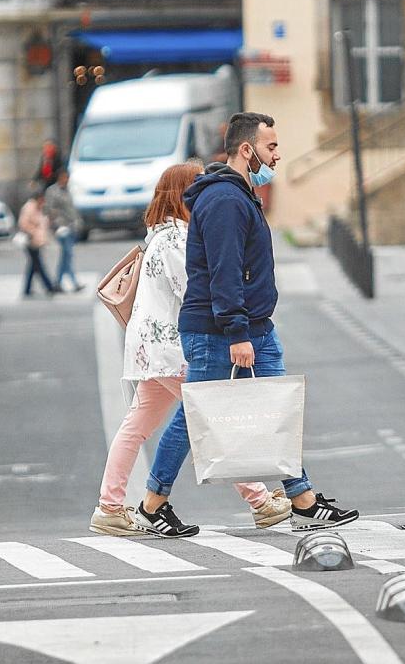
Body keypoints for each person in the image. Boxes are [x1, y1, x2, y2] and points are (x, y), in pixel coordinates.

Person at [134, 112, 360, 537]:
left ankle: (303, 500)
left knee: (279, 412)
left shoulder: (238, 194)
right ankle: (152, 504)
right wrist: (237, 333)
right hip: (219, 332)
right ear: (246, 149)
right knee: (194, 417)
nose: (277, 155)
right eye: (270, 147)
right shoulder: (224, 200)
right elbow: (225, 271)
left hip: (253, 326)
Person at [89, 160, 292, 537]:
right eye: (197, 186)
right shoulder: (175, 240)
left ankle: (110, 505)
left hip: (152, 349)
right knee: (209, 416)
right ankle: (261, 501)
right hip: (170, 348)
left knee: (139, 426)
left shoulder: (161, 236)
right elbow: (194, 290)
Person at [45, 169, 85, 293]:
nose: (66, 180)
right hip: (62, 227)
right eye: (64, 178)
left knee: (66, 256)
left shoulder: (68, 190)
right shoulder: (53, 191)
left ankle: (58, 282)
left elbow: (72, 209)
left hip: (71, 226)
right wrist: (57, 225)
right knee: (67, 254)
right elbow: (50, 210)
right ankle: (73, 282)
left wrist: (78, 222)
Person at [18, 187, 58, 297]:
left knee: (33, 265)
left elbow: (42, 223)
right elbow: (23, 223)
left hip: (36, 241)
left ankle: (27, 289)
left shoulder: (38, 208)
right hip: (31, 241)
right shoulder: (29, 208)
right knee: (38, 265)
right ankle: (49, 286)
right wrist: (33, 232)